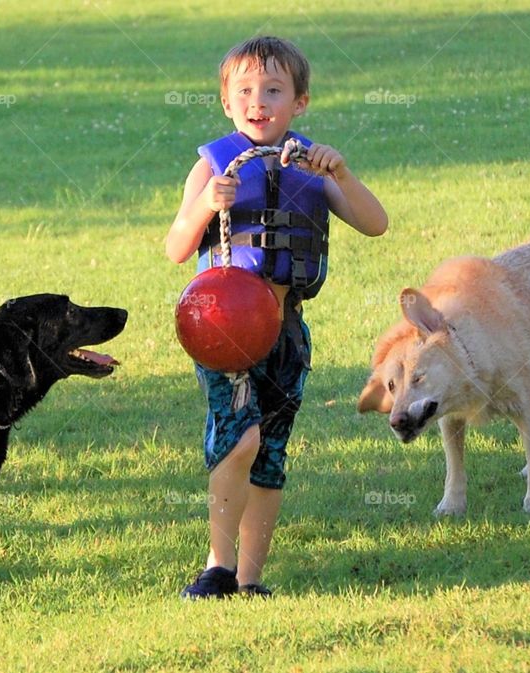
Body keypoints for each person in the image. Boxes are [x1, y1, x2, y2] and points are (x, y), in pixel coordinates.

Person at [165, 35, 388, 599]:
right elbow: (175, 248)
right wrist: (205, 205)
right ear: (226, 103)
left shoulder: (312, 167)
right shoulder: (211, 166)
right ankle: (218, 565)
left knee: (269, 452)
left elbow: (375, 222)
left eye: (273, 89)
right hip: (224, 332)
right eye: (244, 90)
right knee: (238, 440)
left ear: (300, 101)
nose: (257, 100)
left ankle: (250, 577)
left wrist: (342, 174)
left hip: (286, 333)